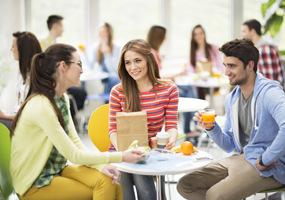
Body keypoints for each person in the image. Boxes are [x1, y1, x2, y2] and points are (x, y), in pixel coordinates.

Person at [10, 43, 143, 200]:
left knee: (112, 184)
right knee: (106, 188)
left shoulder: (62, 98)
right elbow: (74, 155)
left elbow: (76, 142)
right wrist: (120, 156)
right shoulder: (42, 106)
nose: (82, 70)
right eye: (79, 64)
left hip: (54, 170)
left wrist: (100, 165)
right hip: (33, 182)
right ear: (63, 66)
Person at [177, 39, 285, 200]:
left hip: (272, 166)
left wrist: (266, 159)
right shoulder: (232, 99)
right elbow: (229, 145)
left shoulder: (270, 92)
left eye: (232, 66)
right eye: (225, 65)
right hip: (244, 157)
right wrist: (211, 128)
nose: (226, 72)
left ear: (249, 65)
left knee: (215, 195)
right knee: (186, 185)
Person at [108, 39, 179, 200]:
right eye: (128, 63)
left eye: (138, 60)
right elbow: (113, 130)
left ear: (149, 59)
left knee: (140, 173)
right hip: (120, 150)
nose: (133, 67)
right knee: (125, 172)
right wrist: (124, 153)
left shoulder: (169, 89)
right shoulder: (118, 91)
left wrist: (171, 140)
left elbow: (172, 125)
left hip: (150, 152)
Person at [147, 25, 198, 144]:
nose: (166, 38)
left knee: (187, 90)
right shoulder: (152, 53)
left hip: (159, 85)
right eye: (164, 36)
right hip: (157, 87)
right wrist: (178, 73)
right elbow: (156, 77)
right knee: (188, 90)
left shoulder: (155, 52)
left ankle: (190, 128)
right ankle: (195, 126)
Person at [40, 14, 87, 121]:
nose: (63, 29)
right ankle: (66, 119)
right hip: (51, 83)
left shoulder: (53, 43)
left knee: (80, 94)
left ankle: (68, 120)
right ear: (55, 26)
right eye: (62, 26)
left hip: (56, 83)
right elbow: (45, 69)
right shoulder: (45, 43)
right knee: (80, 94)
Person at [0, 31, 42, 129]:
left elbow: (29, 114)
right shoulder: (23, 71)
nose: (11, 50)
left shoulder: (37, 78)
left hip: (28, 123)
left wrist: (5, 116)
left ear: (23, 50)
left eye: (13, 46)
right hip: (18, 117)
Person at [241, 19, 285, 85]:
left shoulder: (265, 50)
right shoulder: (260, 48)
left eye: (244, 31)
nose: (242, 34)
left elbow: (270, 81)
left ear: (252, 31)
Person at [188, 24, 223, 99]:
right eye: (196, 34)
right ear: (193, 37)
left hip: (213, 82)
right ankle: (203, 109)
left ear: (204, 34)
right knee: (197, 89)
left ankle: (203, 109)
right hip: (199, 84)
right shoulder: (193, 52)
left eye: (201, 33)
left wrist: (213, 73)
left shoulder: (213, 47)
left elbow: (220, 66)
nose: (199, 36)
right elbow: (190, 71)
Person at [87, 22, 121, 97]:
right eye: (98, 27)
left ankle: (113, 101)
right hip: (103, 75)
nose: (98, 29)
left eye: (101, 27)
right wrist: (84, 54)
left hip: (114, 76)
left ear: (108, 32)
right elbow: (90, 66)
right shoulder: (95, 47)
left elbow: (114, 68)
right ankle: (110, 102)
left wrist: (107, 55)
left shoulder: (116, 47)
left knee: (113, 76)